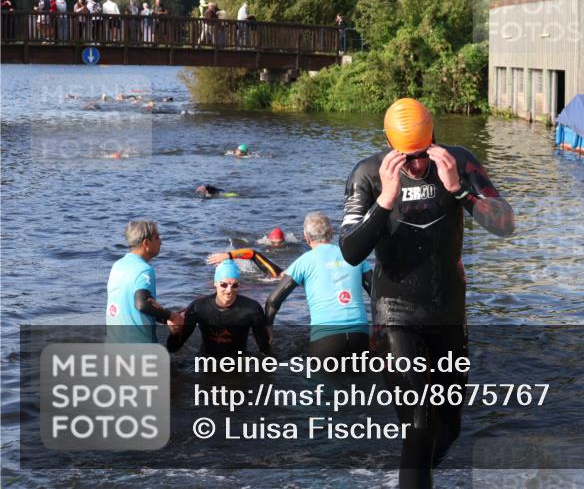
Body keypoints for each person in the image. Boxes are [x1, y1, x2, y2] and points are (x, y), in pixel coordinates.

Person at [339, 98, 515, 488]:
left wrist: (459, 192)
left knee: (447, 427)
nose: (418, 165)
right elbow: (350, 251)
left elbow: (505, 224)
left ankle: (406, 477)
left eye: (423, 155)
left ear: (434, 138)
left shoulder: (458, 162)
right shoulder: (368, 174)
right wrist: (385, 201)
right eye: (408, 157)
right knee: (417, 417)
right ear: (391, 146)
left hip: (448, 313)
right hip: (394, 316)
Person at [260, 212, 371, 360]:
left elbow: (274, 300)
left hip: (326, 337)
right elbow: (376, 292)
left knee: (320, 382)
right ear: (331, 233)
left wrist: (268, 326)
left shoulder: (304, 261)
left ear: (306, 237)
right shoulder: (354, 255)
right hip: (360, 335)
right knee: (359, 381)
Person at [166, 260, 272, 357]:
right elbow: (173, 348)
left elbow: (265, 350)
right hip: (206, 358)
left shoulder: (252, 309)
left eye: (234, 285)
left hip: (238, 361)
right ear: (215, 283)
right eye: (224, 285)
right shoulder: (198, 307)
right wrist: (174, 333)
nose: (229, 290)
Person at [106, 220, 182, 343]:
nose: (161, 241)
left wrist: (164, 318)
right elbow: (142, 304)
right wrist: (172, 316)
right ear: (146, 243)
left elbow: (131, 306)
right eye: (157, 238)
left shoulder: (117, 265)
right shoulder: (144, 269)